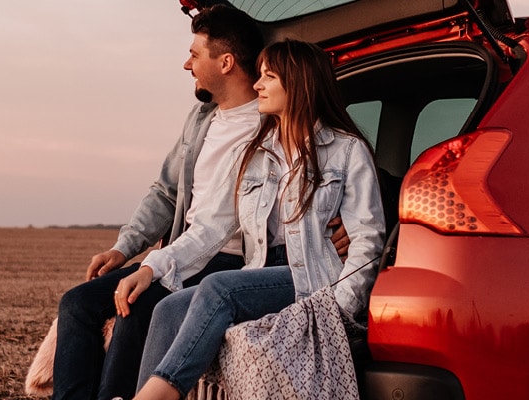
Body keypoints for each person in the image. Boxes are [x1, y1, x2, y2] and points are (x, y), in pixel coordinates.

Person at [50, 7, 349, 400]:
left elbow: (334, 163)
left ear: (225, 62)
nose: (186, 63)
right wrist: (125, 247)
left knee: (136, 310)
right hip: (184, 247)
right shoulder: (200, 119)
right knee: (75, 304)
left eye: (195, 54)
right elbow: (165, 191)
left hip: (225, 258)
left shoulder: (270, 130)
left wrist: (338, 219)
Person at [122, 39, 386, 400]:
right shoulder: (256, 154)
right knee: (169, 308)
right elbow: (212, 228)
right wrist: (152, 267)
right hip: (262, 272)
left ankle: (158, 395)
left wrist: (339, 307)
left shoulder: (346, 151)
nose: (257, 85)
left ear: (298, 84)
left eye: (268, 77)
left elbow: (367, 239)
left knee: (220, 289)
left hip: (312, 277)